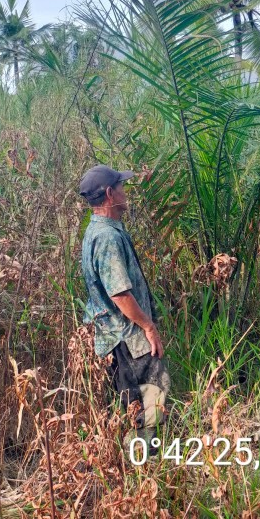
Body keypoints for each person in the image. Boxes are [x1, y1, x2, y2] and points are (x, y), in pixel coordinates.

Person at [78, 164, 170, 444]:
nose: (125, 192)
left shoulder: (98, 230)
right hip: (129, 338)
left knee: (130, 403)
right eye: (121, 187)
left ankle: (134, 456)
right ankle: (147, 457)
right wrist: (148, 327)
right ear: (110, 194)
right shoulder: (107, 237)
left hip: (115, 337)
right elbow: (119, 294)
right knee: (151, 398)